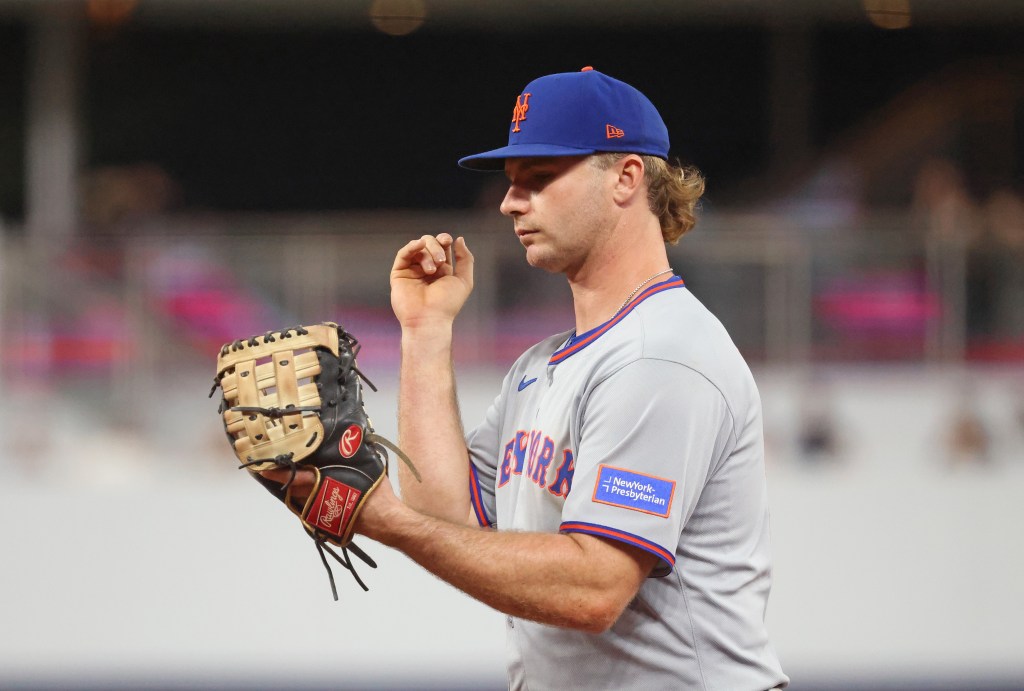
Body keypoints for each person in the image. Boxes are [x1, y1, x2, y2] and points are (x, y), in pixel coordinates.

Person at [274, 67, 788, 690]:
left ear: (627, 177)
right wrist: (426, 331)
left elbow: (595, 589)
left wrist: (381, 521)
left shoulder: (660, 355)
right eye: (513, 182)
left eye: (540, 179)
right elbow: (448, 515)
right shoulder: (545, 365)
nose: (510, 201)